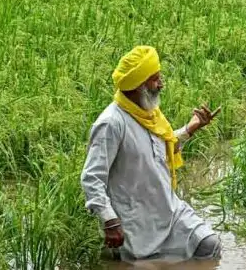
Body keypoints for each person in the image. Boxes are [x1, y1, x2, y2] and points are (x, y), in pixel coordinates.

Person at [81, 45, 222, 262]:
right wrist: (110, 221)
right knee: (147, 265)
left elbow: (158, 150)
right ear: (138, 86)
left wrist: (190, 128)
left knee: (209, 245)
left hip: (169, 210)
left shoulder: (148, 113)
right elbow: (92, 178)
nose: (161, 83)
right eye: (155, 79)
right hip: (137, 221)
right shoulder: (111, 123)